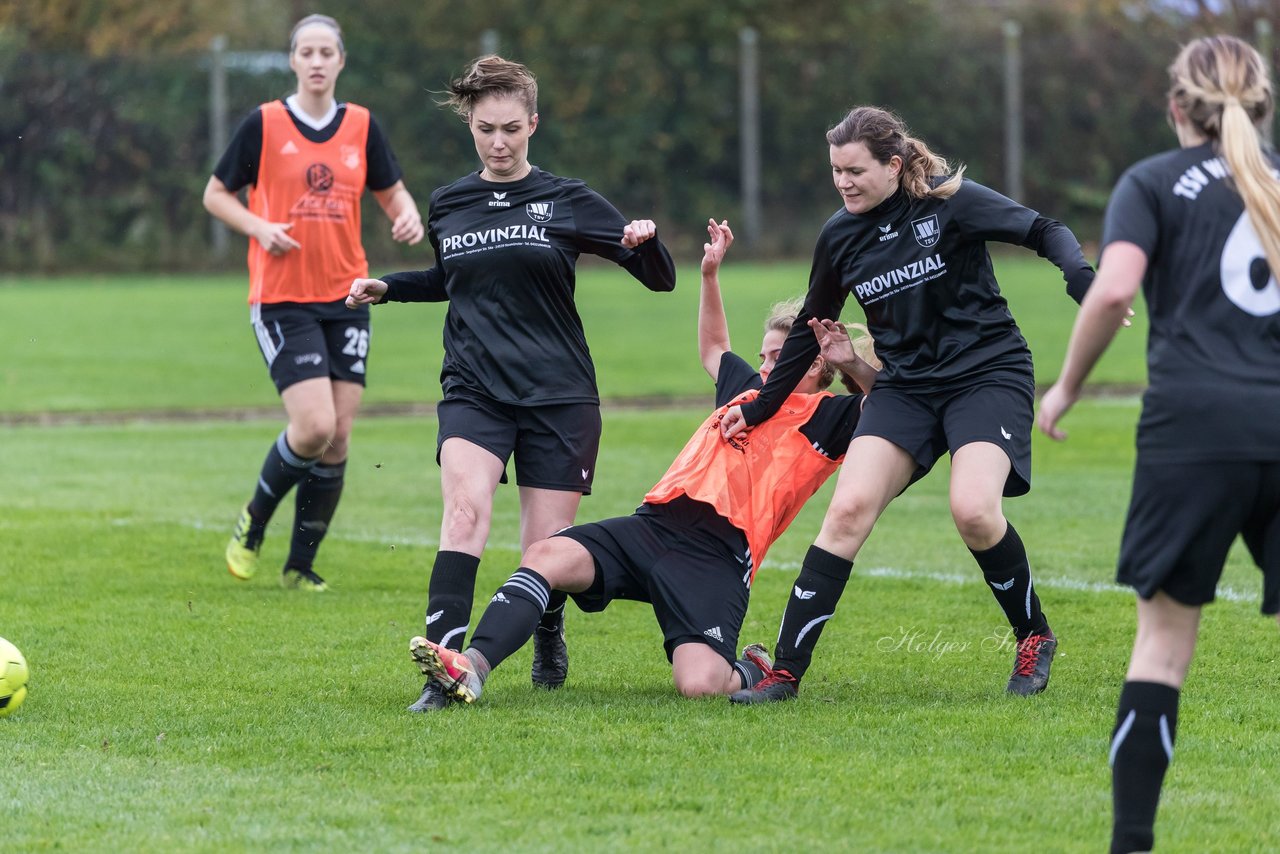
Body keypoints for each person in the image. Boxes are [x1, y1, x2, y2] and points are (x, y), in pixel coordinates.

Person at [405, 219, 878, 705]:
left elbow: (892, 404)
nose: (762, 366)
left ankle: (749, 667)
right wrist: (711, 276)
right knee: (546, 553)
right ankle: (472, 666)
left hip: (716, 556)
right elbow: (715, 348)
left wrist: (853, 364)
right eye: (762, 355)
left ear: (815, 360)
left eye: (777, 357)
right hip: (653, 525)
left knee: (699, 687)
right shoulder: (747, 392)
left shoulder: (829, 417)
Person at [722, 105, 1098, 705]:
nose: (842, 183)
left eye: (854, 170)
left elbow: (1044, 228)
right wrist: (765, 405)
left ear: (894, 166)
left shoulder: (951, 202)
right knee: (847, 513)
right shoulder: (839, 235)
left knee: (974, 510)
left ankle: (1034, 637)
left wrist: (1079, 273)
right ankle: (785, 674)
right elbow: (804, 331)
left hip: (987, 374)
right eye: (835, 172)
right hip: (907, 388)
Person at [345, 55, 676, 711]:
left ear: (533, 125)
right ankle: (443, 671)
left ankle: (547, 621)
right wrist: (389, 288)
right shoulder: (450, 202)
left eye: (510, 130)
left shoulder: (568, 199)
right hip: (475, 388)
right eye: (485, 130)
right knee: (464, 511)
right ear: (470, 124)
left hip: (559, 395)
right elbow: (455, 279)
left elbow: (660, 277)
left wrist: (643, 242)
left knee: (542, 552)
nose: (498, 143)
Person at [1038, 36, 1280, 854]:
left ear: (1178, 107)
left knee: (1165, 645)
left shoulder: (1150, 182)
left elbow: (1111, 291)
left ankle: (1131, 844)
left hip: (1193, 430)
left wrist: (1066, 387)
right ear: (1263, 105)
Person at [203, 14, 423, 592]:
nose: (318, 61)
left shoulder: (362, 125)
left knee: (340, 436)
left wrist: (405, 213)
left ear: (341, 61)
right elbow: (215, 194)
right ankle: (253, 522)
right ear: (294, 60)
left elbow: (392, 189)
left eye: (328, 51)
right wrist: (258, 226)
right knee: (314, 426)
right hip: (282, 298)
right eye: (308, 51)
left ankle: (300, 566)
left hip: (347, 294)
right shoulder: (266, 123)